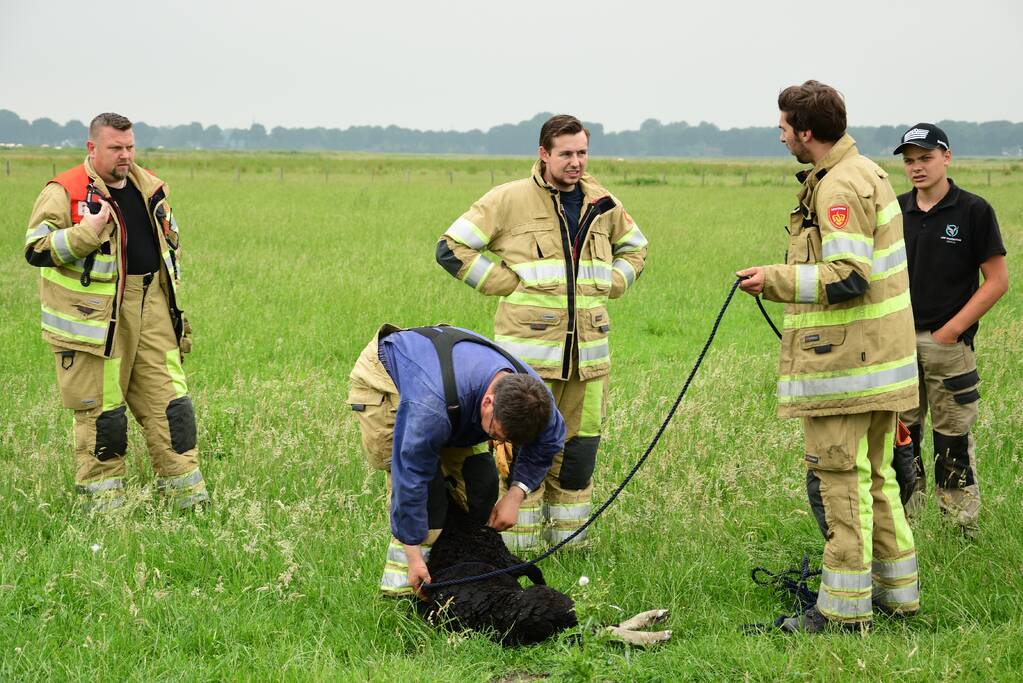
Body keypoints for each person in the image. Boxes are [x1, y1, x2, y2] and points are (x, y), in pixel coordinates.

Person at [737, 81, 920, 631]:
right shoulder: (863, 171)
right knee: (878, 481)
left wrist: (774, 279)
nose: (781, 137)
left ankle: (842, 615)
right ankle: (897, 598)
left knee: (839, 481)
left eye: (784, 128)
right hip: (875, 362)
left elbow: (849, 277)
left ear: (807, 132)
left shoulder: (839, 187)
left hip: (846, 367)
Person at [435, 114, 648, 550]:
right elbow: (450, 248)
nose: (576, 162)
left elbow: (636, 248)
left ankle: (570, 547)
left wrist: (615, 281)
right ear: (544, 154)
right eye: (566, 153)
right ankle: (518, 548)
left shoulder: (604, 202)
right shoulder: (508, 199)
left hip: (589, 362)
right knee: (521, 452)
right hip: (527, 363)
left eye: (582, 152)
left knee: (578, 456)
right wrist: (504, 283)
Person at [24, 113, 208, 512]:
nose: (125, 156)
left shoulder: (150, 186)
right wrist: (86, 232)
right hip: (98, 320)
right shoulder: (65, 190)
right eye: (115, 148)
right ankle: (106, 511)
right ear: (92, 148)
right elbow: (36, 248)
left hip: (153, 305)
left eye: (130, 147)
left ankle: (188, 503)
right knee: (103, 415)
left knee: (173, 407)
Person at [347, 324, 566, 596]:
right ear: (488, 402)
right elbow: (410, 478)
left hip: (453, 392)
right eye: (495, 433)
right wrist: (413, 556)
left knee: (479, 490)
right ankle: (403, 595)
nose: (498, 442)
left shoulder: (536, 400)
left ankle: (462, 577)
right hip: (386, 377)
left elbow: (548, 443)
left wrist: (516, 493)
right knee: (429, 498)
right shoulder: (428, 408)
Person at [893, 123, 1008, 533]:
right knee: (900, 437)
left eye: (925, 158)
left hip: (948, 344)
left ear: (947, 157)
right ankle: (905, 525)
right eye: (909, 161)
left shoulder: (973, 210)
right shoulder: (895, 210)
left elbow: (997, 281)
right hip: (898, 344)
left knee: (952, 439)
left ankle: (960, 527)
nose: (917, 167)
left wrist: (951, 329)